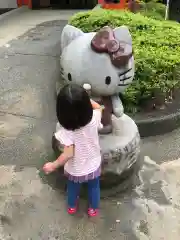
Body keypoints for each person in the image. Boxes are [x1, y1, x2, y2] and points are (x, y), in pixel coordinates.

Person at [43, 84, 103, 217]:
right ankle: (93, 209)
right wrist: (88, 100)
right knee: (94, 188)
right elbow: (99, 108)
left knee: (72, 189)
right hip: (94, 165)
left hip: (76, 170)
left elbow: (68, 153)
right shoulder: (94, 118)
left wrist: (53, 165)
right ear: (86, 106)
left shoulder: (67, 132)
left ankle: (71, 207)